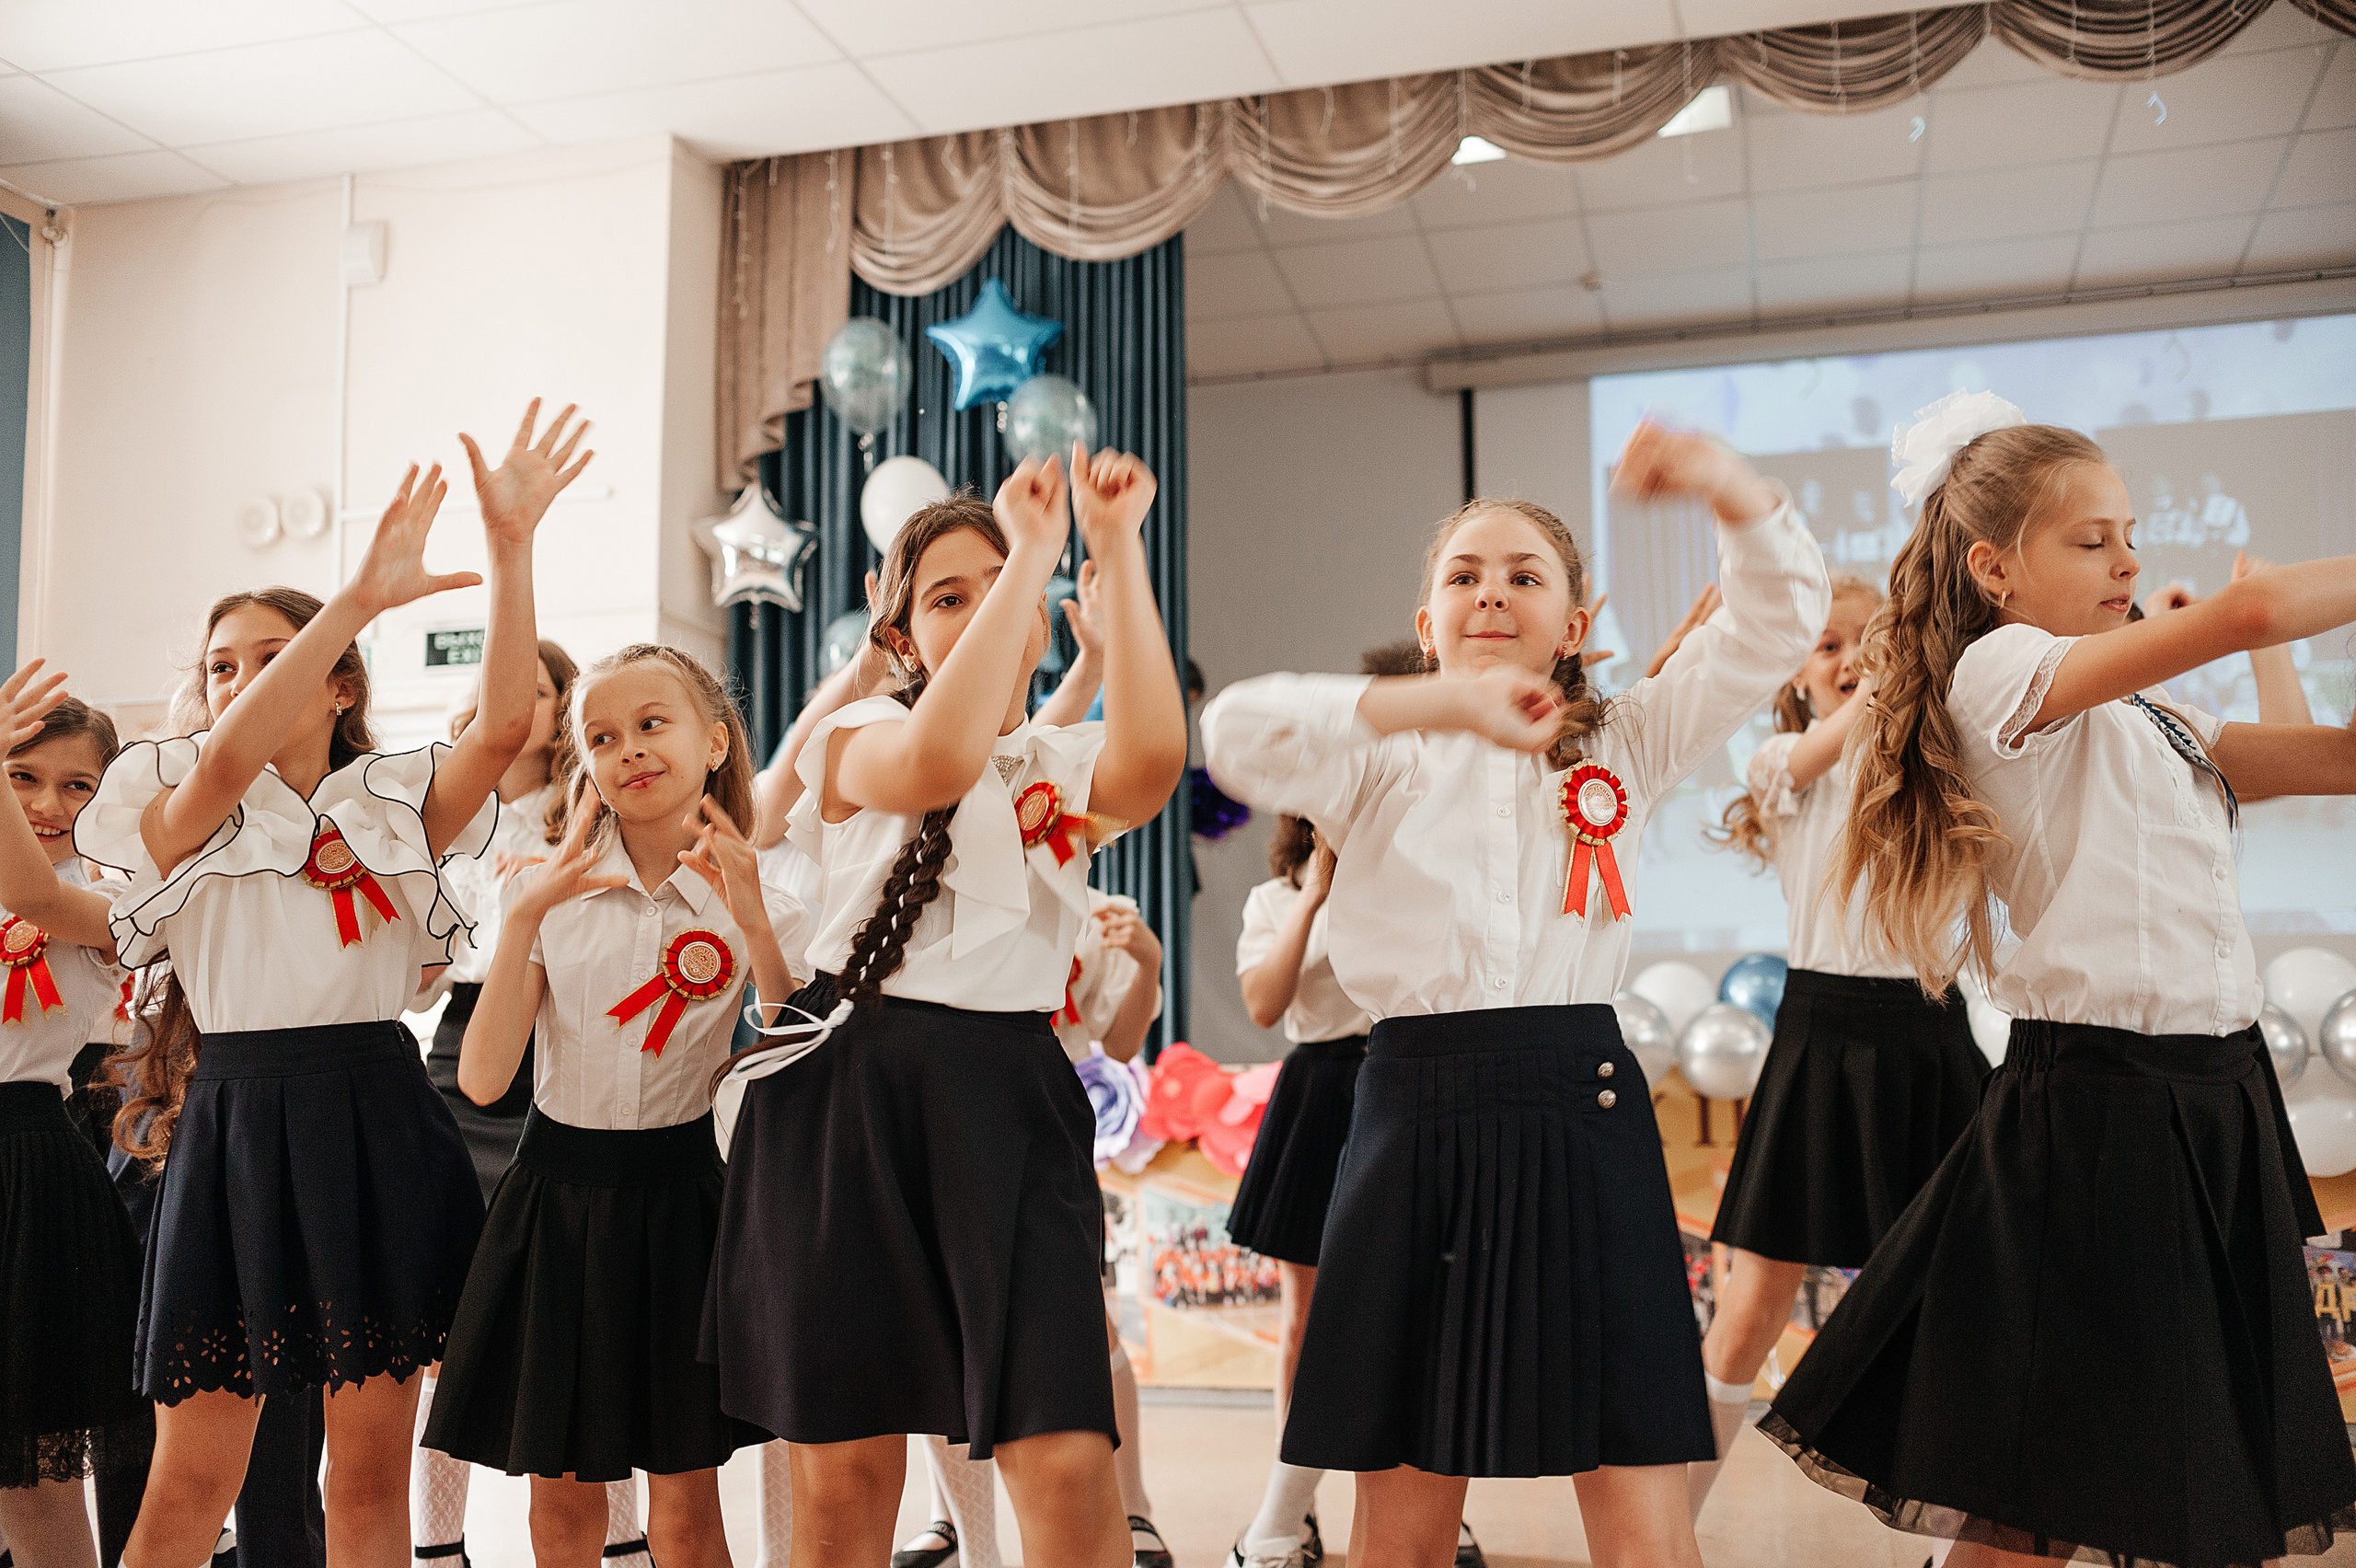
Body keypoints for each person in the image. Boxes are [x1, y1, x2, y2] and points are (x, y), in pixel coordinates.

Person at [1201, 421, 1830, 1568]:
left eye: (1524, 576)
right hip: (1408, 1120)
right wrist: (1437, 706)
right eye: (1463, 576)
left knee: (1634, 1483)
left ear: (1575, 626)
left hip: (1577, 1114)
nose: (1492, 594)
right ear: (1427, 617)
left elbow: (1775, 621)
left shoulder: (1626, 743)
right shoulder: (1375, 755)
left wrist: (1724, 485)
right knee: (1400, 1493)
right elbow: (1234, 734)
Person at [1761, 390, 2356, 1568]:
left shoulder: (2150, 717)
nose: (2126, 560)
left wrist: (2275, 644)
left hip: (2209, 1101)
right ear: (1993, 568)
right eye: (2090, 539)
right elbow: (2244, 608)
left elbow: (2335, 760)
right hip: (2098, 1110)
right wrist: (2256, 616)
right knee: (2042, 1497)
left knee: (2140, 1476)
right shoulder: (2001, 677)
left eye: (2130, 536)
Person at [84, 401, 587, 1568]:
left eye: (276, 657)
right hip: (236, 1132)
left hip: (373, 1116)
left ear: (342, 687)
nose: (243, 681)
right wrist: (354, 601)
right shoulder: (181, 804)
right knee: (188, 1486)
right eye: (221, 666)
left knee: (365, 1484)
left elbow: (508, 720)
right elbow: (224, 754)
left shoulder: (392, 808)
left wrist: (509, 550)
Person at [705, 445, 1186, 1568]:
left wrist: (1113, 547)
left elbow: (1154, 759)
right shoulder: (850, 739)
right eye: (945, 597)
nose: (976, 611)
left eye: (997, 590)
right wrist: (1024, 554)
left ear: (1041, 624)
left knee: (1067, 1458)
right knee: (846, 1478)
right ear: (897, 634)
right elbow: (933, 760)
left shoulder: (1052, 766)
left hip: (1010, 1101)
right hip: (845, 1102)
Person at [424, 643, 804, 1567]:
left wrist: (753, 923)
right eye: (602, 736)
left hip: (686, 1207)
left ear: (715, 740)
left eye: (652, 724)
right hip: (555, 1203)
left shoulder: (768, 897)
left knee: (685, 1515)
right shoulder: (542, 893)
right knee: (560, 1513)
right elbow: (481, 1079)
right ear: (581, 763)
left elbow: (791, 1070)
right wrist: (520, 919)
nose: (629, 748)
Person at [1688, 571, 1991, 1518]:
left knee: (1959, 1306)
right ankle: (1668, 1525)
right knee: (1750, 1307)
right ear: (1796, 675)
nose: (1852, 658)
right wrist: (1880, 684)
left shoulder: (1932, 765)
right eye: (1827, 646)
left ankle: (1955, 1529)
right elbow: (1828, 743)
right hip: (1819, 1042)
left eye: (1872, 640)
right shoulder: (1782, 763)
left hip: (1930, 1039)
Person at [407, 640, 657, 1568]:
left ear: (561, 710)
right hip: (462, 1050)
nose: (509, 702)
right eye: (490, 690)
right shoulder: (438, 817)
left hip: (566, 1049)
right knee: (450, 1312)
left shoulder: (586, 814)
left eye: (536, 687)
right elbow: (423, 968)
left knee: (580, 1307)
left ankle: (623, 1534)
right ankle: (436, 1543)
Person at [0, 674, 143, 1568]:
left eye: (77, 783)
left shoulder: (108, 903)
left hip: (23, 1175)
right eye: (25, 776)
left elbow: (34, 887)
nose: (50, 803)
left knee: (34, 1481)